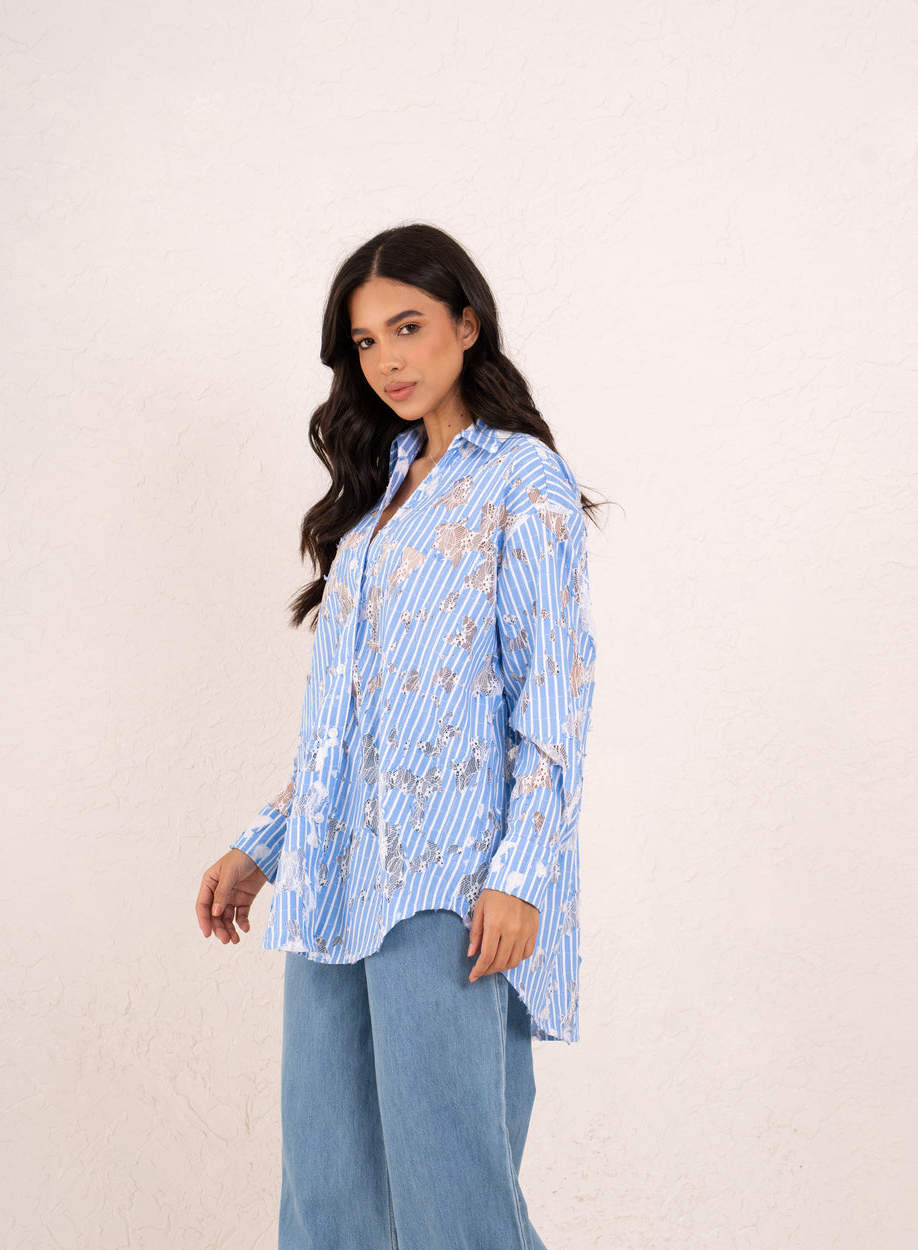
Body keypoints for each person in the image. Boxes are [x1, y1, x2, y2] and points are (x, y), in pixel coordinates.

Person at [195, 222, 599, 1250]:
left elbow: (554, 700)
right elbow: (351, 721)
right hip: (333, 877)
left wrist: (521, 875)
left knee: (452, 1204)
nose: (387, 360)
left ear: (467, 324)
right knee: (326, 1199)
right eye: (366, 341)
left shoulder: (522, 482)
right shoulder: (374, 499)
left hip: (449, 885)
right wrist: (264, 843)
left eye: (408, 327)